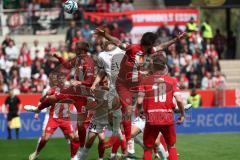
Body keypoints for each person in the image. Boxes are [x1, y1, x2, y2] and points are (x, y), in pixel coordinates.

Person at [94, 28, 186, 156]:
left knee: (154, 94)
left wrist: (176, 40)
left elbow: (162, 46)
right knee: (127, 111)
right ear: (149, 43)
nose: (155, 46)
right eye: (153, 43)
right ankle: (128, 139)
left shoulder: (149, 51)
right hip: (124, 85)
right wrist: (106, 35)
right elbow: (118, 42)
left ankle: (174, 106)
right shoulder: (133, 48)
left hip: (138, 83)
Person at [25, 41, 95, 151]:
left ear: (82, 50)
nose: (74, 50)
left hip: (84, 95)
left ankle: (82, 148)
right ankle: (37, 109)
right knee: (52, 98)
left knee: (81, 126)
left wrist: (80, 83)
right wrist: (59, 57)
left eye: (76, 48)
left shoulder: (89, 63)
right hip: (74, 91)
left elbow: (90, 81)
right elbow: (67, 65)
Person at [137, 54, 185, 160]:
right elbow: (179, 99)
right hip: (167, 117)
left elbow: (139, 100)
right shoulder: (172, 80)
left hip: (151, 117)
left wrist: (140, 111)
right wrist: (182, 114)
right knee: (171, 146)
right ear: (164, 66)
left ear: (152, 65)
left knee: (148, 148)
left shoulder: (145, 81)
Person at [29, 72, 79, 160]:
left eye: (62, 79)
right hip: (54, 118)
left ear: (65, 79)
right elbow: (42, 100)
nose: (61, 81)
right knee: (45, 138)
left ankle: (73, 157)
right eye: (59, 79)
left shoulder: (70, 89)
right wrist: (45, 95)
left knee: (73, 138)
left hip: (65, 119)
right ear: (57, 80)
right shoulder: (53, 89)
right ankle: (37, 153)